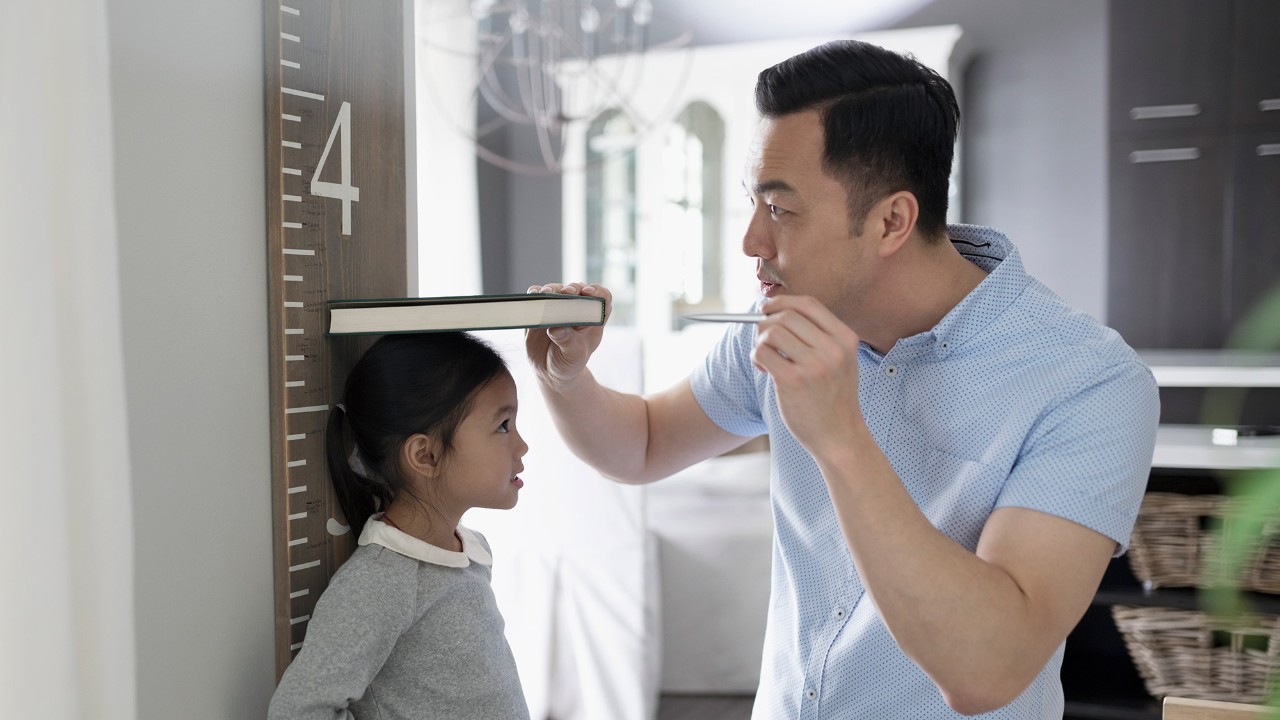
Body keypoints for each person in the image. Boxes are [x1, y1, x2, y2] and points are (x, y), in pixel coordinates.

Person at [526, 39, 1159, 718]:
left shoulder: (1090, 383)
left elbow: (989, 669)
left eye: (780, 209)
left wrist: (840, 436)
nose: (750, 242)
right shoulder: (779, 325)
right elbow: (644, 445)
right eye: (752, 202)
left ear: (891, 220)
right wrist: (566, 376)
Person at [268, 332, 531, 720]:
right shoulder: (381, 583)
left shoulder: (472, 550)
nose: (521, 445)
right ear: (426, 455)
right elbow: (299, 710)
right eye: (504, 426)